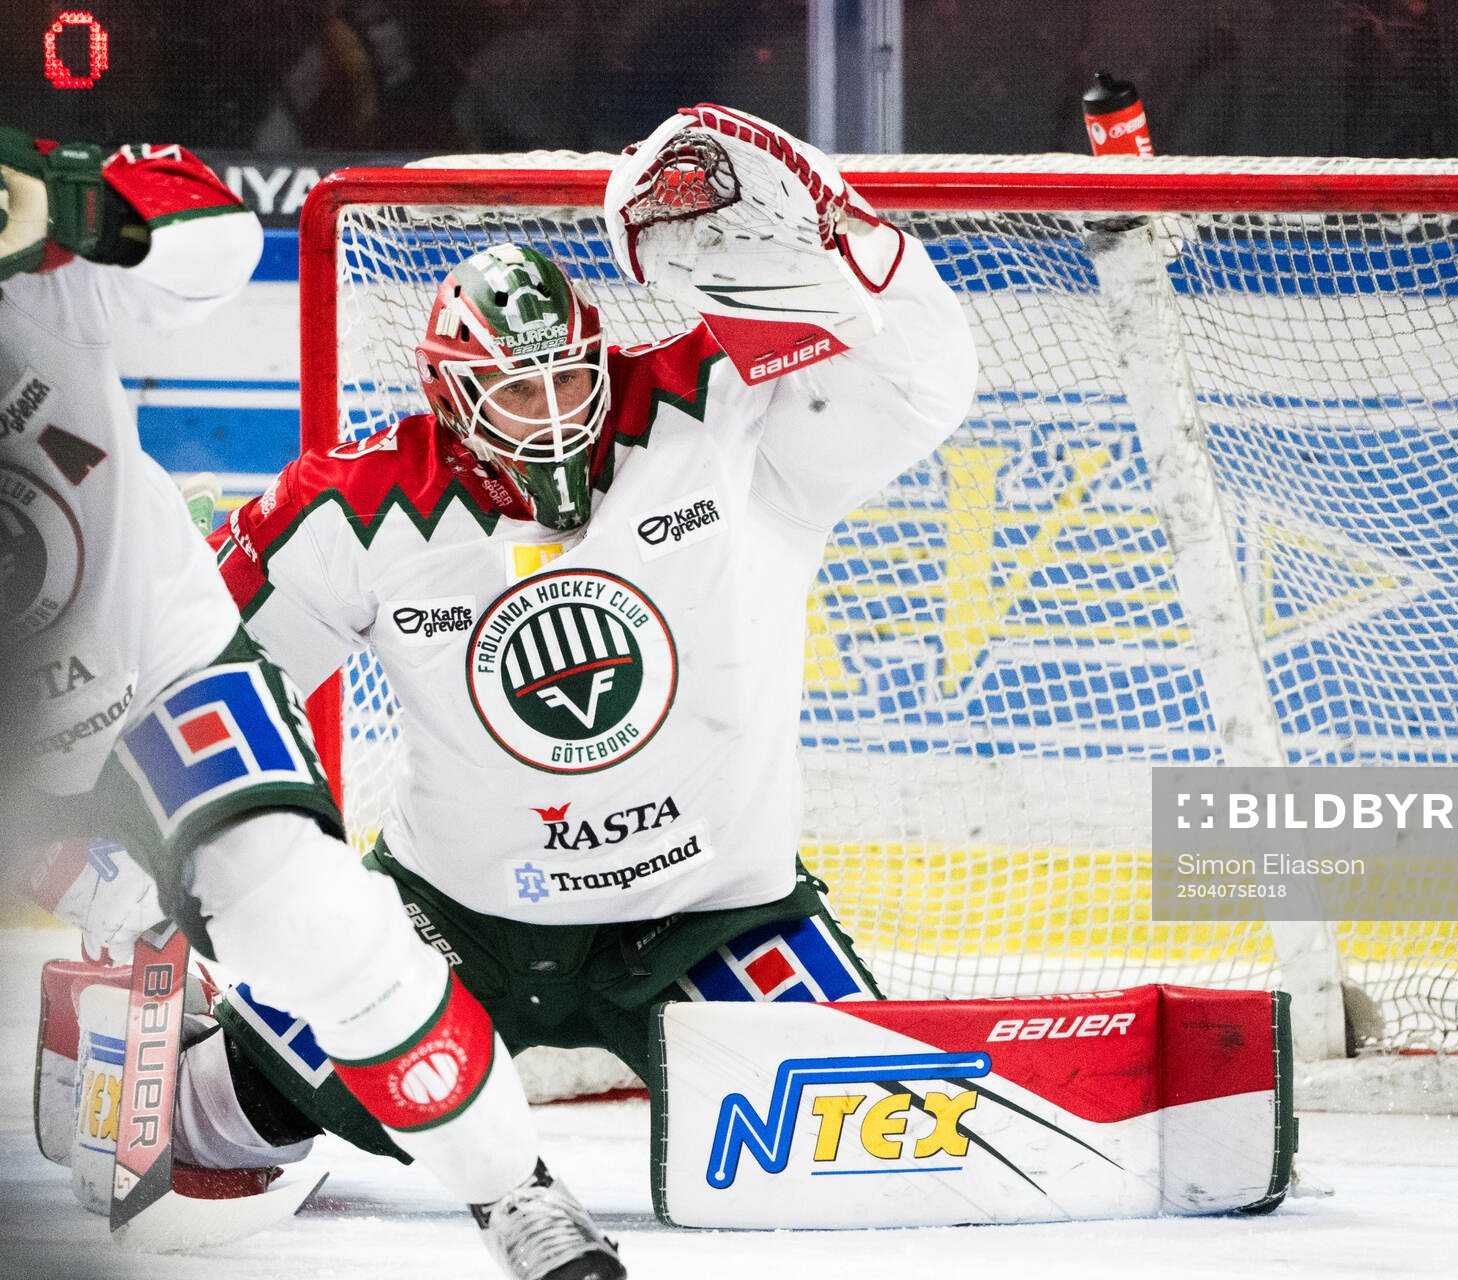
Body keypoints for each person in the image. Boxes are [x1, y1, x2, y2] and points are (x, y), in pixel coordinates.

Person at [188, 102, 975, 1207]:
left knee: (855, 1140)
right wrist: (191, 861)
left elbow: (925, 390)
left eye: (570, 377)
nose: (555, 413)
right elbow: (188, 659)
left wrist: (854, 249)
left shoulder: (717, 408)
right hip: (450, 921)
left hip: (714, 914)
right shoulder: (360, 507)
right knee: (235, 1116)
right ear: (453, 400)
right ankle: (193, 1059)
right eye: (517, 389)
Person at [0, 129, 623, 1280]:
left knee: (322, 925)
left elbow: (211, 238)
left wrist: (71, 198)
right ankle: (141, 979)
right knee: (121, 894)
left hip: (160, 670)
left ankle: (515, 1196)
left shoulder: (32, 259)